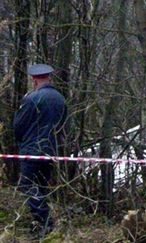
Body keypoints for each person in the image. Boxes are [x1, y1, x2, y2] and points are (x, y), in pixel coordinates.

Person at [13, 64, 67, 238]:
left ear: (34, 80)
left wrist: (22, 141)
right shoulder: (60, 99)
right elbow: (65, 127)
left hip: (32, 149)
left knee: (28, 185)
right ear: (49, 78)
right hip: (52, 150)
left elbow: (18, 126)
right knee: (42, 187)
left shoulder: (32, 99)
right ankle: (41, 223)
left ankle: (46, 223)